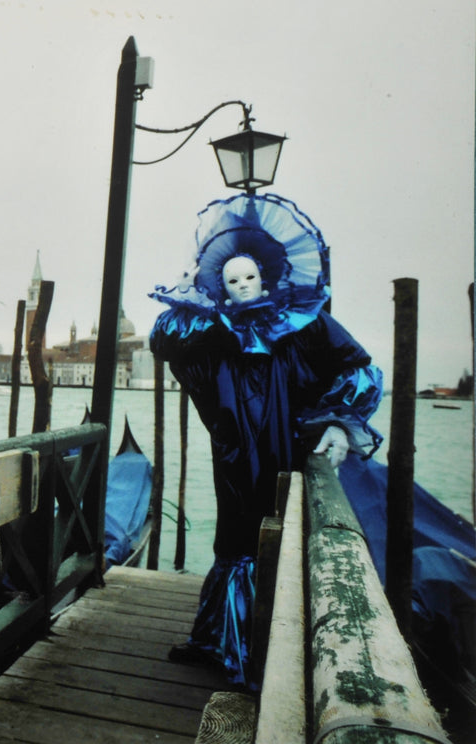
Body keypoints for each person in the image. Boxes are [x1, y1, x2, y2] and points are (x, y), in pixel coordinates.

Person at [148, 193, 383, 689]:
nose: (242, 286)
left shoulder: (302, 323)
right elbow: (165, 339)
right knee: (234, 541)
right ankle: (221, 641)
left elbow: (358, 368)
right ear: (223, 288)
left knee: (276, 542)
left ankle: (265, 651)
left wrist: (338, 424)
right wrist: (188, 288)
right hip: (234, 456)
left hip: (286, 453)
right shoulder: (215, 330)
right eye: (231, 281)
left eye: (248, 277)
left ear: (265, 277)